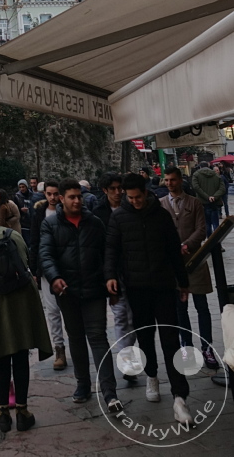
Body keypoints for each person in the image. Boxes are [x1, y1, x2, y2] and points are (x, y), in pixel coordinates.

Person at [105, 173, 193, 427]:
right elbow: (111, 250)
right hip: (136, 287)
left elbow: (173, 250)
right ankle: (152, 375)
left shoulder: (161, 215)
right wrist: (110, 276)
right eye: (130, 197)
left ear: (145, 192)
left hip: (163, 286)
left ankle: (180, 396)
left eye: (138, 197)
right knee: (145, 337)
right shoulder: (118, 217)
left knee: (170, 339)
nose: (135, 201)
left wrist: (183, 282)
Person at [39, 179, 123, 415]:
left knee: (98, 337)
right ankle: (83, 384)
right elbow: (45, 254)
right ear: (62, 199)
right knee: (75, 338)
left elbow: (107, 254)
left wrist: (110, 279)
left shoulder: (94, 222)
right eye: (72, 197)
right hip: (68, 291)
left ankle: (110, 392)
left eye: (79, 196)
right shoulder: (50, 224)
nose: (77, 201)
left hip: (94, 289)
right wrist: (54, 277)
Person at [0, 209, 52, 432]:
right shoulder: (14, 235)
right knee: (20, 355)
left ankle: (3, 414)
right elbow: (26, 261)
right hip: (21, 302)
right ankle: (23, 412)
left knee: (0, 358)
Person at [161, 166, 218, 369]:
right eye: (166, 180)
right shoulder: (160, 204)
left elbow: (201, 229)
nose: (169, 183)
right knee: (180, 309)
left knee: (202, 306)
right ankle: (186, 346)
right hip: (173, 263)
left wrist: (186, 245)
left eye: (172, 180)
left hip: (195, 259)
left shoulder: (194, 203)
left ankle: (207, 347)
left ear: (180, 180)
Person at [94, 172, 137, 377]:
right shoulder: (98, 213)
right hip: (112, 272)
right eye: (113, 189)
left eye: (120, 188)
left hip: (134, 269)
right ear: (105, 190)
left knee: (134, 317)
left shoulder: (131, 207)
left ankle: (129, 352)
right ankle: (126, 360)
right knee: (120, 316)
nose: (118, 192)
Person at [28, 180, 67, 371]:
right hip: (46, 269)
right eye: (49, 193)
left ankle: (75, 345)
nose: (52, 197)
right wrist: (35, 269)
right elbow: (34, 242)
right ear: (44, 194)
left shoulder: (66, 211)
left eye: (55, 194)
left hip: (66, 267)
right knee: (52, 311)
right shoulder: (39, 213)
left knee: (70, 310)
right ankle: (59, 348)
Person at [191, 162, 225, 235]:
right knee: (215, 223)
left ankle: (209, 239)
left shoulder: (196, 175)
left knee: (206, 223)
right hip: (214, 202)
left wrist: (206, 197)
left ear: (200, 167)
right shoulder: (216, 175)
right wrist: (214, 196)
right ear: (208, 166)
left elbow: (196, 187)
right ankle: (216, 239)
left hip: (202, 202)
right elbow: (222, 189)